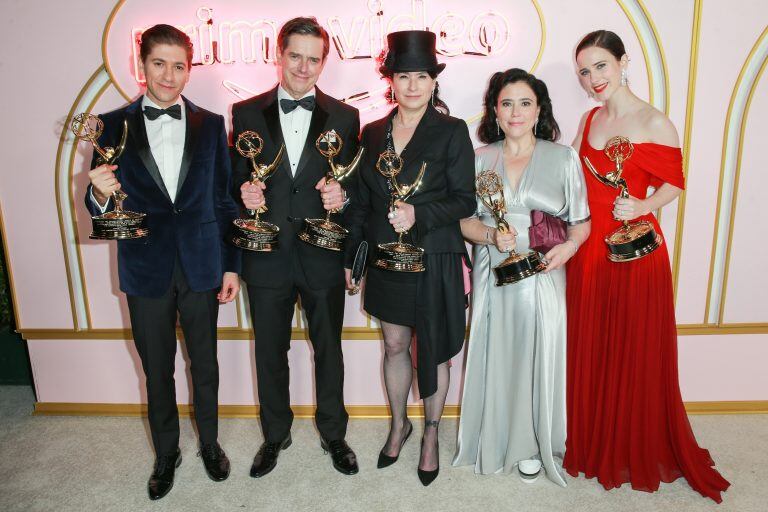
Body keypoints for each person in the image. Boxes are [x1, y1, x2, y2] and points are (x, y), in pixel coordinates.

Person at [564, 30, 730, 502]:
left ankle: (631, 445)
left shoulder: (656, 121)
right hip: (590, 251)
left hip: (635, 254)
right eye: (584, 71)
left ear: (623, 61)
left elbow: (674, 186)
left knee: (632, 349)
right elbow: (575, 175)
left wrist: (642, 207)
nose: (592, 78)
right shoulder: (590, 117)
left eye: (600, 65)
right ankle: (595, 442)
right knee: (593, 346)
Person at [84, 24, 240, 500]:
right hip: (144, 267)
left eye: (179, 66)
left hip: (202, 263)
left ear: (189, 69)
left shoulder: (212, 124)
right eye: (159, 64)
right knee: (157, 369)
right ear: (141, 65)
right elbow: (101, 207)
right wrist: (97, 192)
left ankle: (210, 444)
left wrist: (231, 264)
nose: (170, 76)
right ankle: (166, 452)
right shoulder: (109, 125)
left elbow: (225, 200)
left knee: (205, 364)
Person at [343, 30, 475, 486]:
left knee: (433, 348)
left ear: (434, 81)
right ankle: (400, 424)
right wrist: (353, 255)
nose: (414, 85)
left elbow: (465, 201)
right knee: (395, 346)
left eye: (423, 76)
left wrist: (418, 213)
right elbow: (361, 200)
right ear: (391, 81)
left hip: (435, 257)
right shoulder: (373, 132)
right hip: (384, 257)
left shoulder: (453, 131)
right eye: (404, 76)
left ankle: (432, 434)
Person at [231, 16, 360, 477]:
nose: (304, 68)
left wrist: (341, 197)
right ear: (279, 55)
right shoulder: (245, 113)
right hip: (266, 256)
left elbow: (355, 187)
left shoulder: (346, 117)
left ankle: (334, 432)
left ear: (323, 61)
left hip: (323, 254)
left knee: (330, 348)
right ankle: (274, 434)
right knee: (269, 350)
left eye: (314, 58)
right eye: (295, 56)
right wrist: (243, 195)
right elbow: (232, 183)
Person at [452, 68, 590, 485]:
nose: (515, 112)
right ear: (494, 110)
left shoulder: (563, 157)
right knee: (495, 348)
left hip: (544, 271)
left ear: (539, 109)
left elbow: (580, 224)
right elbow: (463, 222)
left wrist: (567, 249)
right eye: (506, 103)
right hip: (492, 267)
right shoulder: (478, 160)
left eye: (525, 103)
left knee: (537, 350)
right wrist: (492, 235)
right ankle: (490, 435)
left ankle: (534, 443)